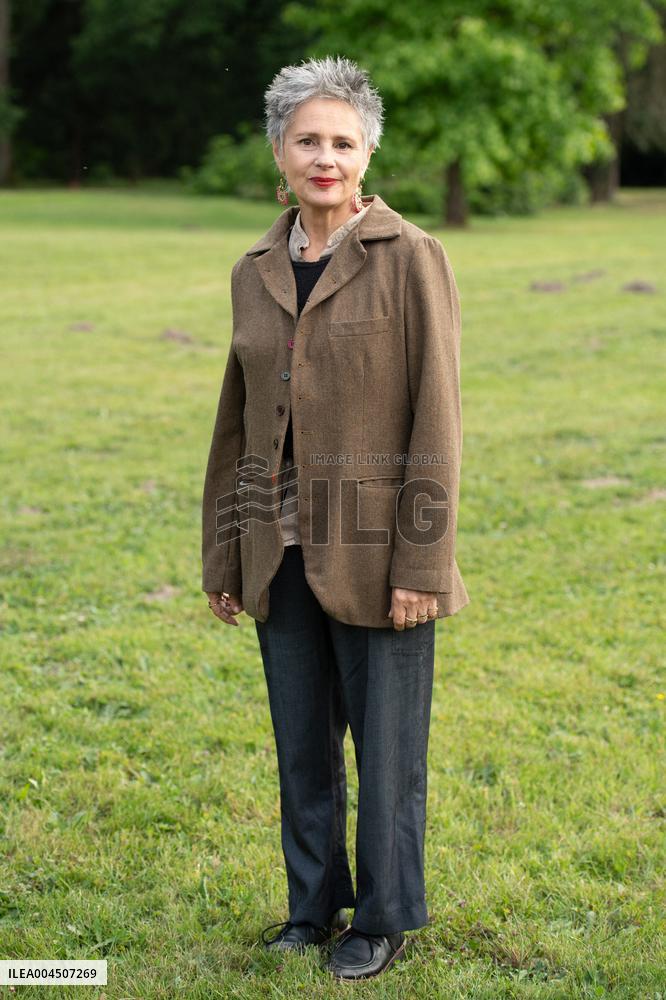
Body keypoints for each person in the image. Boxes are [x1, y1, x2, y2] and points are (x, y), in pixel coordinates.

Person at [201, 54, 470, 982]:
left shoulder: (413, 258)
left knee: (389, 752)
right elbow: (236, 425)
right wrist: (228, 553)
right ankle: (310, 909)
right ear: (279, 151)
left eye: (342, 142)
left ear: (366, 154)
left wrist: (422, 567)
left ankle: (384, 917)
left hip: (378, 551)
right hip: (277, 547)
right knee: (301, 744)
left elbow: (436, 416)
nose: (325, 157)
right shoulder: (254, 269)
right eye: (307, 140)